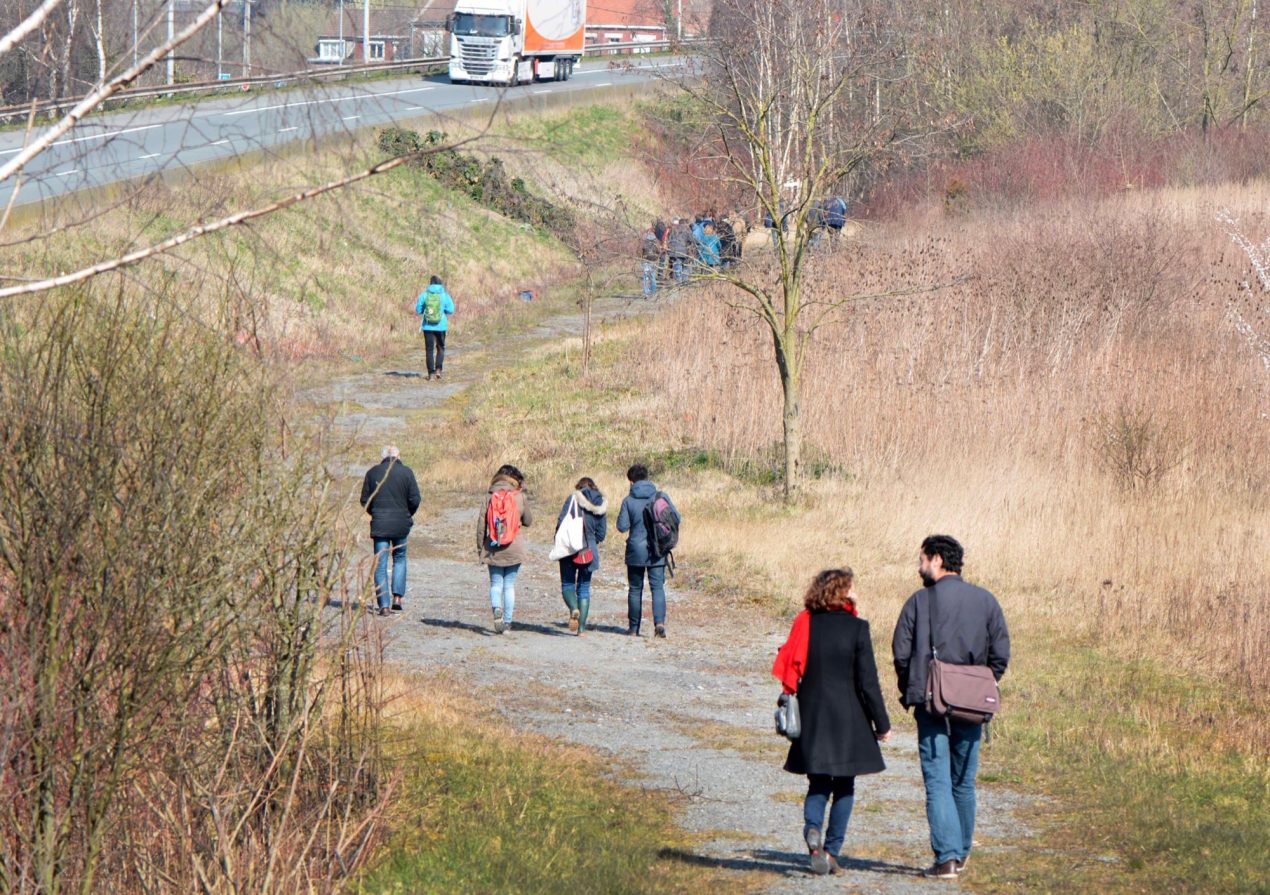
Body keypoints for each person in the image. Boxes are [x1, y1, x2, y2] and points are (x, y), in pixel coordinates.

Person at [891, 535, 1010, 879]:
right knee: (963, 781)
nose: (919, 567)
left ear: (938, 560)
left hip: (930, 702)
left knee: (938, 780)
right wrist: (981, 685)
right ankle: (961, 852)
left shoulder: (918, 602)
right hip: (972, 703)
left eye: (922, 560)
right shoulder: (986, 601)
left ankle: (946, 859)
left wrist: (913, 688)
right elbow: (1000, 654)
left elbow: (900, 653)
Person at [773, 569, 891, 875]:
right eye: (852, 588)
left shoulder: (806, 623)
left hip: (813, 715)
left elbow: (791, 663)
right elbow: (868, 683)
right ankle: (831, 851)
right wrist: (882, 723)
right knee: (845, 786)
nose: (856, 592)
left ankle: (813, 832)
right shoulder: (857, 628)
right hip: (849, 719)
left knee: (818, 783)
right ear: (843, 592)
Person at [616, 464, 678, 638]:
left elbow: (622, 527)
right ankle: (659, 623)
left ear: (630, 481)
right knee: (657, 588)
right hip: (657, 549)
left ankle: (634, 629)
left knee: (635, 589)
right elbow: (676, 518)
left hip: (635, 550)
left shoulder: (628, 500)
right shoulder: (660, 496)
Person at [360, 445, 421, 617]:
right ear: (398, 456)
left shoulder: (372, 473)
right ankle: (397, 598)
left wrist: (375, 512)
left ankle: (384, 606)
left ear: (383, 457)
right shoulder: (407, 473)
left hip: (380, 524)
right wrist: (407, 513)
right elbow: (415, 499)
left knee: (380, 564)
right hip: (401, 524)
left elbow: (365, 500)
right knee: (400, 559)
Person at [477, 464, 532, 634]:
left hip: (493, 546)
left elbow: (481, 526)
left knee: (496, 584)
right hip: (514, 547)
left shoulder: (489, 496)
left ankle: (497, 610)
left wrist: (481, 549)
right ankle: (507, 623)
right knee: (509, 586)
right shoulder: (519, 496)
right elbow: (529, 521)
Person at [554, 476, 608, 635]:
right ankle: (582, 629)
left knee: (567, 584)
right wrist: (591, 541)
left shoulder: (572, 499)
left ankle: (573, 608)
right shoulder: (601, 504)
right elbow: (602, 534)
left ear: (579, 487)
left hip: (570, 548)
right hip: (589, 551)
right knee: (584, 588)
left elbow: (560, 523)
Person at [416, 274, 455, 380]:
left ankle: (431, 374)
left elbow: (418, 310)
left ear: (430, 283)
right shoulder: (444, 295)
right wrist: (443, 310)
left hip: (427, 326)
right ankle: (438, 370)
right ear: (440, 283)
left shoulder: (424, 295)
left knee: (429, 350)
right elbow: (451, 310)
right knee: (440, 348)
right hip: (441, 326)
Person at [668, 218, 691, 284]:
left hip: (675, 252)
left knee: (677, 267)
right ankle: (685, 282)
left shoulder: (673, 230)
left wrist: (670, 251)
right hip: (685, 251)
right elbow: (692, 240)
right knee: (685, 266)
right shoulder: (687, 230)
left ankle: (679, 282)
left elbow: (669, 241)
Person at [640, 230, 660, 298]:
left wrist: (641, 259)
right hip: (653, 262)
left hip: (645, 261)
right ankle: (653, 292)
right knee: (653, 277)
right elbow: (659, 252)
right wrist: (656, 258)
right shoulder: (655, 245)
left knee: (646, 277)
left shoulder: (644, 244)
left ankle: (646, 293)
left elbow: (640, 252)